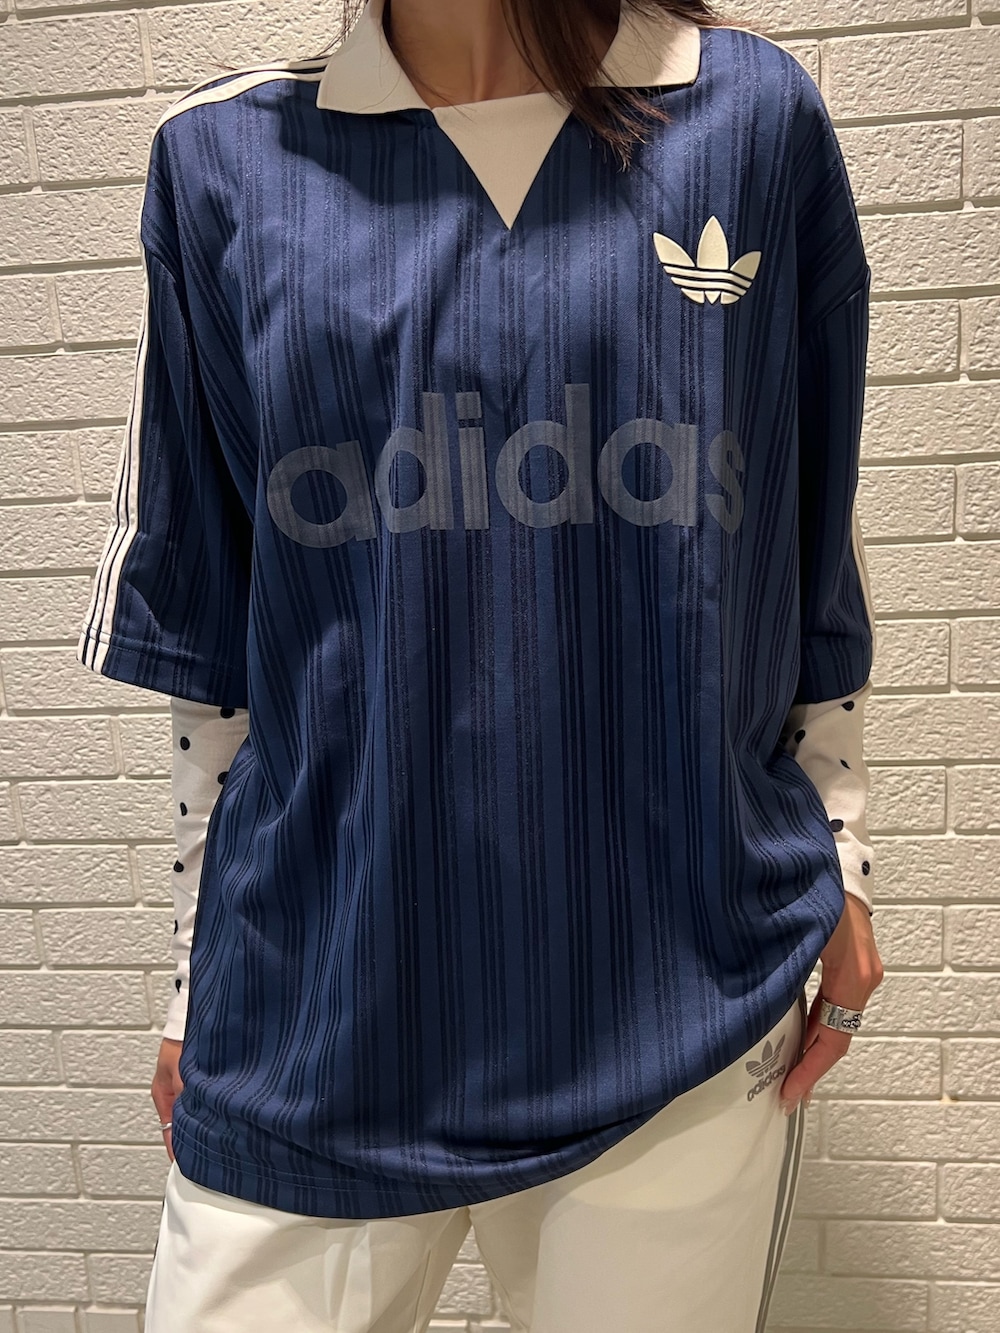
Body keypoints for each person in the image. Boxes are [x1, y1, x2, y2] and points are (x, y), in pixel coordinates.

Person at [76, 0, 885, 1327]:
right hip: (316, 1012)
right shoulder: (220, 161)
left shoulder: (750, 122)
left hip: (672, 1000)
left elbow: (809, 538)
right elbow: (213, 640)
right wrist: (192, 967)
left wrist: (842, 855)